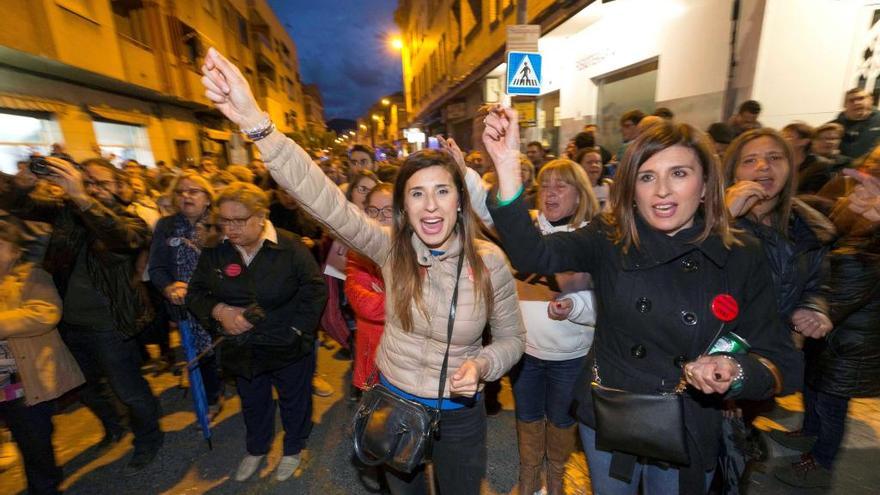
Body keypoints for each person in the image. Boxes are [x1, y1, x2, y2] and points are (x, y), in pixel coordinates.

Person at [200, 47, 525, 494]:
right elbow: (326, 201)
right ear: (403, 206)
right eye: (416, 194)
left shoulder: (490, 262)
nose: (430, 205)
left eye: (442, 191)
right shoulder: (392, 250)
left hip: (459, 414)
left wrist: (484, 363)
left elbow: (513, 340)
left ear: (459, 199)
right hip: (395, 403)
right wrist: (259, 125)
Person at [483, 105, 801, 494]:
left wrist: (734, 373)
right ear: (632, 188)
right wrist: (506, 164)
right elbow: (534, 255)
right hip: (611, 413)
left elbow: (780, 360)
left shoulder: (739, 253)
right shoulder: (610, 236)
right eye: (647, 177)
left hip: (688, 421)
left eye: (679, 174)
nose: (662, 191)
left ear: (704, 185)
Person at [1, 157, 163, 475]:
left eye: (101, 183)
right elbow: (16, 205)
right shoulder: (65, 215)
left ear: (120, 188)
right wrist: (20, 184)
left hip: (111, 326)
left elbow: (123, 239)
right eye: (86, 181)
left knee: (127, 389)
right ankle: (114, 425)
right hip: (69, 326)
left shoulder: (131, 221)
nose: (91, 188)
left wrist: (81, 196)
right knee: (85, 388)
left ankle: (149, 437)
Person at [186, 182, 327, 482]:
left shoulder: (289, 246)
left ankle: (293, 447)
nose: (231, 228)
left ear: (261, 216)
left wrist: (297, 330)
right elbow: (196, 293)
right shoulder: (215, 250)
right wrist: (221, 312)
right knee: (253, 401)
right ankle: (257, 448)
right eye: (224, 220)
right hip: (242, 346)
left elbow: (314, 290)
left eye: (240, 220)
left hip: (286, 341)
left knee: (294, 400)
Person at [771, 170, 880, 488]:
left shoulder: (861, 259)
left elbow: (829, 306)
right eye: (850, 195)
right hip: (831, 345)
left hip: (848, 352)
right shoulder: (848, 246)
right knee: (813, 393)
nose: (850, 201)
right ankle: (808, 434)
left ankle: (821, 463)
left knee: (831, 407)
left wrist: (789, 316)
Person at [509, 159, 599, 495]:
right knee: (528, 418)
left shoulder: (591, 240)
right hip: (524, 354)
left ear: (579, 195)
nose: (550, 192)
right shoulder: (527, 236)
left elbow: (605, 308)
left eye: (561, 185)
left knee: (562, 422)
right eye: (545, 185)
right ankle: (529, 477)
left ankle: (557, 480)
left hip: (571, 357)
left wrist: (573, 306)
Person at [0, 220, 84, 495]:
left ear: (15, 251)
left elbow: (45, 313)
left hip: (26, 384)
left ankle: (45, 487)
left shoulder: (30, 277)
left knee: (34, 442)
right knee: (24, 440)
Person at [148, 171, 223, 415]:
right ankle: (212, 398)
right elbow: (157, 266)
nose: (186, 196)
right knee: (202, 353)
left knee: (225, 347)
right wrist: (169, 286)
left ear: (207, 197)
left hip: (219, 300)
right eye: (180, 192)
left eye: (193, 191)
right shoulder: (166, 225)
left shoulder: (220, 223)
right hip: (186, 306)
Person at [345, 182, 393, 397]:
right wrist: (402, 298)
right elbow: (365, 305)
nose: (380, 217)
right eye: (373, 210)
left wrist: (383, 294)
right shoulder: (358, 253)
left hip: (412, 356)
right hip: (374, 351)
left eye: (388, 210)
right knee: (378, 420)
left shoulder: (418, 248)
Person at [833, 88, 880, 159]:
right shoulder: (834, 126)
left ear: (871, 100)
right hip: (846, 168)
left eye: (861, 98)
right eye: (851, 100)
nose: (857, 102)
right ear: (845, 105)